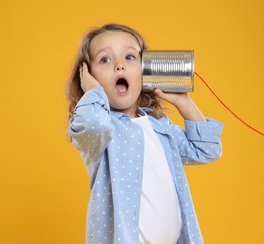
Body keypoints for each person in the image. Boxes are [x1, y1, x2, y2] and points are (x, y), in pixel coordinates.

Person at [66, 23, 223, 244]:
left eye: (129, 57)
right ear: (88, 76)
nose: (119, 66)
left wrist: (183, 101)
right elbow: (94, 124)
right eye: (105, 60)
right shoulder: (103, 132)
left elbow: (207, 149)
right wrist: (93, 92)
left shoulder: (160, 128)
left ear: (146, 69)